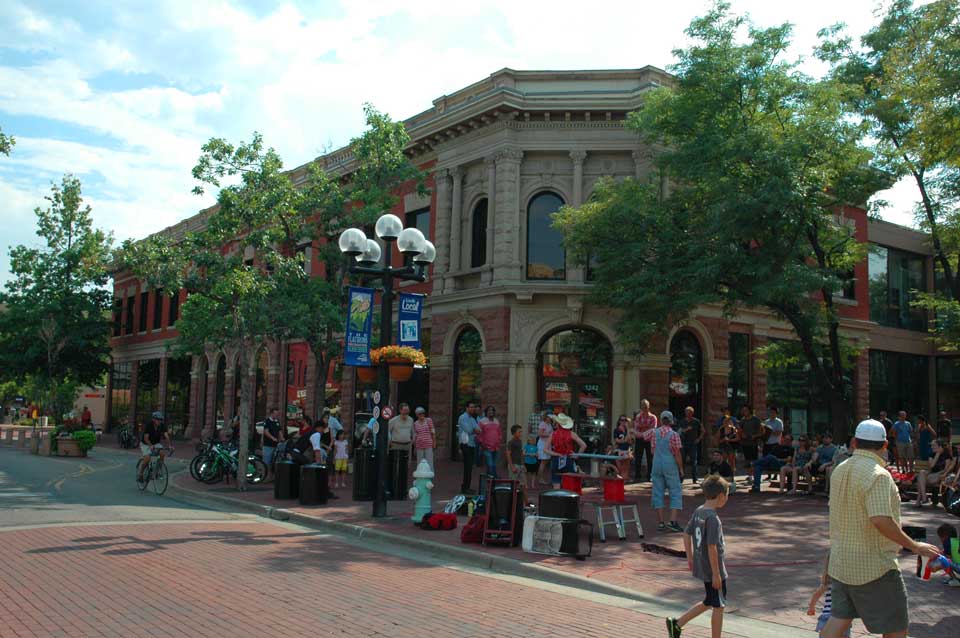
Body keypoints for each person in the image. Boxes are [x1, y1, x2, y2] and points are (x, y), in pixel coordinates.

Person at [820, 419, 942, 638]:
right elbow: (881, 520)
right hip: (874, 565)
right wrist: (915, 546)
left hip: (841, 561)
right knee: (896, 627)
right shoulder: (878, 475)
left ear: (855, 442)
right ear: (885, 445)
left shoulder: (839, 469)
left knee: (838, 618)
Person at [665, 474, 731, 638]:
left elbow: (686, 535)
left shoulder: (699, 511)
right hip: (713, 569)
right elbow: (712, 547)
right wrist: (716, 574)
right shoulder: (713, 518)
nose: (727, 499)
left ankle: (677, 623)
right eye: (727, 495)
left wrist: (690, 558)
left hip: (702, 565)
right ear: (721, 496)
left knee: (710, 600)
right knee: (719, 606)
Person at [640, 410, 684, 533]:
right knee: (675, 491)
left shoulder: (654, 432)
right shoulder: (674, 434)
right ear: (671, 421)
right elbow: (677, 453)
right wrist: (681, 469)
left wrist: (632, 429)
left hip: (656, 463)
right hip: (669, 462)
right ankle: (673, 521)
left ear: (660, 420)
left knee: (658, 492)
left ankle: (660, 522)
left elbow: (642, 436)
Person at [807, 552, 850, 638]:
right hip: (841, 617)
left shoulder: (828, 583)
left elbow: (816, 595)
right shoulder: (848, 583)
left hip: (826, 618)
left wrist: (811, 608)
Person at [546, 414, 586, 487]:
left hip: (556, 460)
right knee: (569, 485)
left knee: (556, 484)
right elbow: (583, 445)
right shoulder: (571, 434)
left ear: (558, 424)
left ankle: (557, 498)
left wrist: (555, 454)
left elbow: (545, 450)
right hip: (568, 459)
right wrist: (576, 455)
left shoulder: (553, 434)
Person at [916, 439, 954, 508]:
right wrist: (937, 454)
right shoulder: (931, 455)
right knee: (921, 472)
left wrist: (937, 473)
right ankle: (924, 497)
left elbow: (946, 469)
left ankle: (919, 500)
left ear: (940, 447)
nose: (932, 447)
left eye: (934, 445)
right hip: (931, 476)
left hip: (940, 476)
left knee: (920, 481)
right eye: (931, 445)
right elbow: (931, 466)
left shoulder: (946, 455)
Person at [138, 412, 172, 481]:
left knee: (162, 453)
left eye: (161, 419)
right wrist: (150, 446)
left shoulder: (162, 425)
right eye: (158, 419)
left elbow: (166, 436)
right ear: (153, 419)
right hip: (146, 443)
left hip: (156, 443)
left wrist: (169, 446)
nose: (160, 421)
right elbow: (145, 438)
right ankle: (140, 474)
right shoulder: (149, 425)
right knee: (147, 458)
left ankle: (156, 472)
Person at [457, 401, 481, 494]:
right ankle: (465, 487)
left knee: (470, 467)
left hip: (472, 444)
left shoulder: (472, 418)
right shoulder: (463, 417)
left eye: (473, 407)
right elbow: (469, 430)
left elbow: (479, 429)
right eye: (470, 407)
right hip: (465, 444)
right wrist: (474, 430)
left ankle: (467, 487)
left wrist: (475, 430)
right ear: (466, 408)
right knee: (467, 467)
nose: (472, 409)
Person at [633, 400, 657, 482]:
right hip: (639, 438)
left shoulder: (653, 417)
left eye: (645, 406)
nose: (644, 408)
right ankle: (637, 476)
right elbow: (636, 428)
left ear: (648, 407)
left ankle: (649, 476)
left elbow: (653, 429)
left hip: (649, 439)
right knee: (638, 458)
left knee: (650, 458)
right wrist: (646, 427)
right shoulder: (638, 416)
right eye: (643, 406)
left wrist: (642, 428)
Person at [678, 406, 703, 484]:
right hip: (684, 443)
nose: (688, 414)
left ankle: (695, 479)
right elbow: (678, 432)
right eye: (686, 412)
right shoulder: (682, 421)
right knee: (682, 461)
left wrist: (699, 439)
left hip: (693, 443)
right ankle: (681, 478)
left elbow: (703, 431)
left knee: (694, 462)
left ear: (692, 413)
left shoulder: (696, 421)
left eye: (689, 412)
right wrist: (686, 429)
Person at [477, 405, 502, 479]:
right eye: (489, 410)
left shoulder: (496, 421)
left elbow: (499, 433)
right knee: (490, 464)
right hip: (486, 447)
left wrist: (499, 440)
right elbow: (479, 434)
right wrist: (482, 443)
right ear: (486, 412)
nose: (491, 412)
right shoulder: (482, 421)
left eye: (492, 410)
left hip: (496, 447)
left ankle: (490, 479)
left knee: (493, 464)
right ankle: (494, 478)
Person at [412, 407, 435, 471]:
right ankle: (420, 475)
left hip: (428, 444)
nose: (422, 415)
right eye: (419, 414)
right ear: (417, 415)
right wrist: (414, 446)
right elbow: (415, 435)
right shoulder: (415, 423)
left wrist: (434, 442)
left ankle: (430, 475)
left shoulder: (429, 420)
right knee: (420, 462)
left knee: (429, 461)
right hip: (419, 445)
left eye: (423, 413)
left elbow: (433, 432)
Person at [262, 408, 283, 476]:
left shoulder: (277, 421)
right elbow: (266, 432)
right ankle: (264, 476)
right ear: (271, 414)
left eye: (277, 414)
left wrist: (282, 438)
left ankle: (271, 475)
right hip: (268, 444)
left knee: (273, 461)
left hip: (276, 445)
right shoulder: (267, 421)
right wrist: (272, 438)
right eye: (275, 414)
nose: (277, 415)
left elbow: (279, 431)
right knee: (266, 461)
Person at [536, 412, 555, 485]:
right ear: (546, 417)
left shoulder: (549, 424)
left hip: (548, 444)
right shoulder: (543, 424)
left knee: (546, 461)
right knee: (543, 462)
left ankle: (541, 477)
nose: (550, 419)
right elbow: (540, 434)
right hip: (543, 444)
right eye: (549, 417)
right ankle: (540, 478)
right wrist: (549, 435)